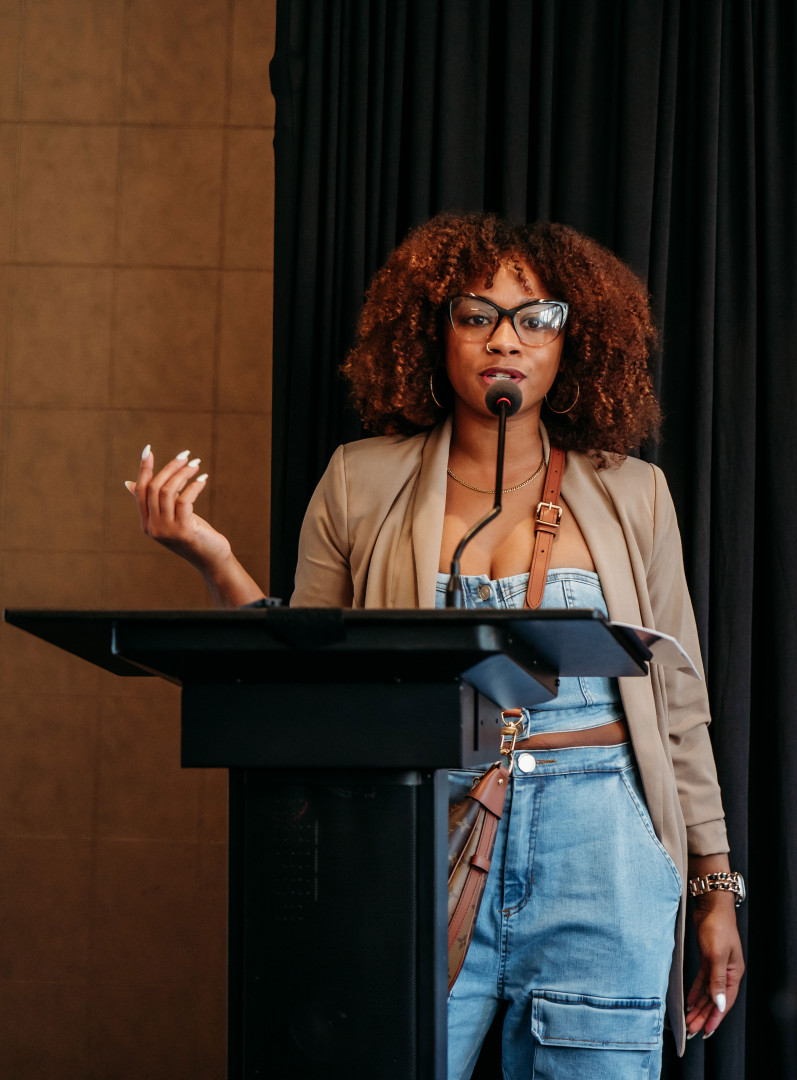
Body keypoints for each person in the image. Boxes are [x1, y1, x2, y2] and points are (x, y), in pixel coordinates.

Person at [126, 212, 744, 1078]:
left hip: (600, 852)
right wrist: (214, 559)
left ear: (573, 341)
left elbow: (679, 706)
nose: (506, 340)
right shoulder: (359, 480)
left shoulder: (634, 492)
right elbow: (307, 671)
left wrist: (714, 888)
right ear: (434, 330)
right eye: (476, 314)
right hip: (417, 840)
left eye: (536, 317)